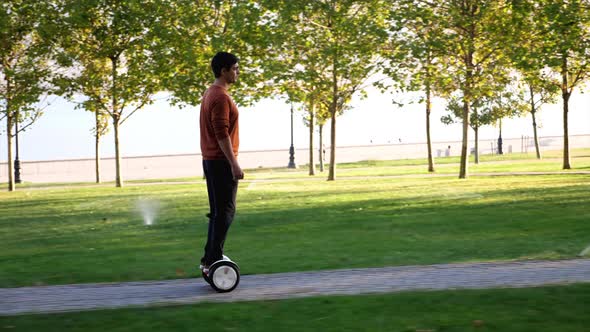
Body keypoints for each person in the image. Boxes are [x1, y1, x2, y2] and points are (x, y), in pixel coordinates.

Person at [199, 52, 244, 273]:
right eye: (235, 68)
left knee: (218, 212)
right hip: (220, 162)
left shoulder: (210, 93)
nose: (237, 72)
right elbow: (221, 133)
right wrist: (234, 164)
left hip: (211, 160)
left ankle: (210, 257)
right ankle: (212, 257)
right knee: (226, 212)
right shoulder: (220, 97)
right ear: (224, 70)